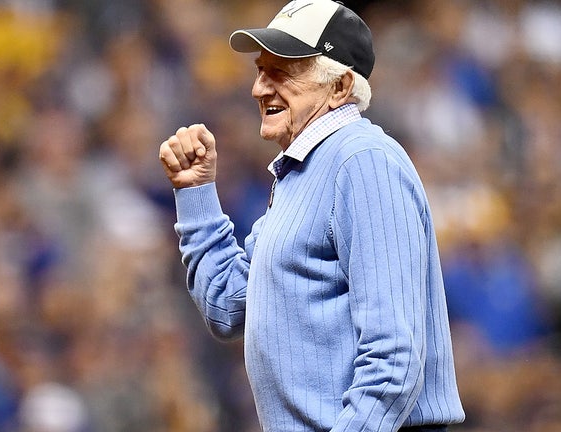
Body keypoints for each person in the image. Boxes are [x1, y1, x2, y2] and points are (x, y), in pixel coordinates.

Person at [158, 1, 465, 430]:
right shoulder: (302, 171)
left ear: (339, 87)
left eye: (282, 71)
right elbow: (226, 306)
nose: (259, 88)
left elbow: (393, 362)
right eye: (260, 70)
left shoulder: (362, 160)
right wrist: (195, 192)